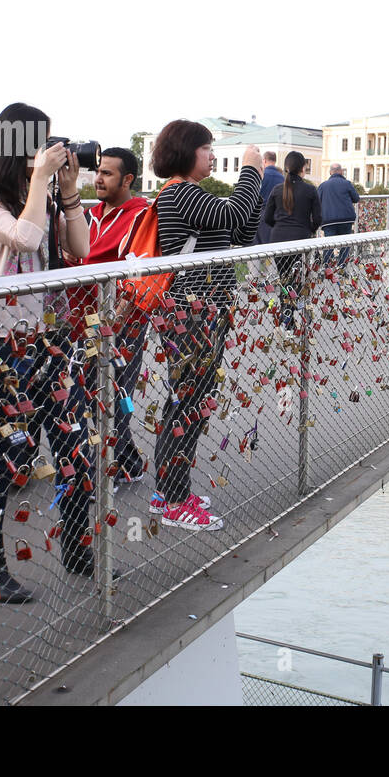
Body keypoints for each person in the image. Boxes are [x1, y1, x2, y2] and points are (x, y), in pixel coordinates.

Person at [0, 104, 91, 600]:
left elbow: (79, 247)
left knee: (75, 447)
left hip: (51, 340)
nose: (49, 152)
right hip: (0, 346)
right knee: (2, 457)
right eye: (42, 142)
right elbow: (24, 238)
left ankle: (80, 553)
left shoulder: (38, 194)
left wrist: (70, 191)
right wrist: (40, 183)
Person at [149, 123, 262, 530]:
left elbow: (241, 230)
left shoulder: (193, 195)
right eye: (207, 148)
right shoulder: (181, 193)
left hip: (202, 309)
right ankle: (176, 500)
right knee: (189, 403)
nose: (212, 156)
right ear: (186, 151)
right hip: (191, 311)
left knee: (186, 400)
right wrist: (251, 172)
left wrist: (253, 193)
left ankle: (169, 492)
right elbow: (234, 213)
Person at [84, 147, 151, 486]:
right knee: (89, 392)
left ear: (127, 179)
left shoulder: (141, 215)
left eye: (107, 173)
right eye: (98, 170)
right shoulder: (88, 214)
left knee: (114, 392)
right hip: (84, 316)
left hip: (122, 319)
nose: (98, 178)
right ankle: (128, 463)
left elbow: (138, 270)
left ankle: (110, 471)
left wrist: (115, 319)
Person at [263, 151, 321, 328]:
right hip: (300, 241)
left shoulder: (277, 189)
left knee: (284, 279)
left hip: (278, 240)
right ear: (303, 168)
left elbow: (267, 218)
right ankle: (295, 314)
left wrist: (280, 227)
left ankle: (286, 316)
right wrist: (308, 230)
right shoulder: (310, 190)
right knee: (297, 280)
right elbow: (318, 219)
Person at [318, 161, 359, 267]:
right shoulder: (347, 184)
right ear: (341, 172)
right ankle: (341, 266)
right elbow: (356, 198)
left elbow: (317, 201)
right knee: (345, 244)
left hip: (328, 221)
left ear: (330, 172)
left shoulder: (323, 186)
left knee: (329, 245)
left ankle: (326, 268)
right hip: (346, 219)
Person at [255, 150, 284, 244]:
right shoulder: (282, 178)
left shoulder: (261, 175)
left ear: (264, 160)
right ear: (275, 161)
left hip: (259, 213)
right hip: (277, 214)